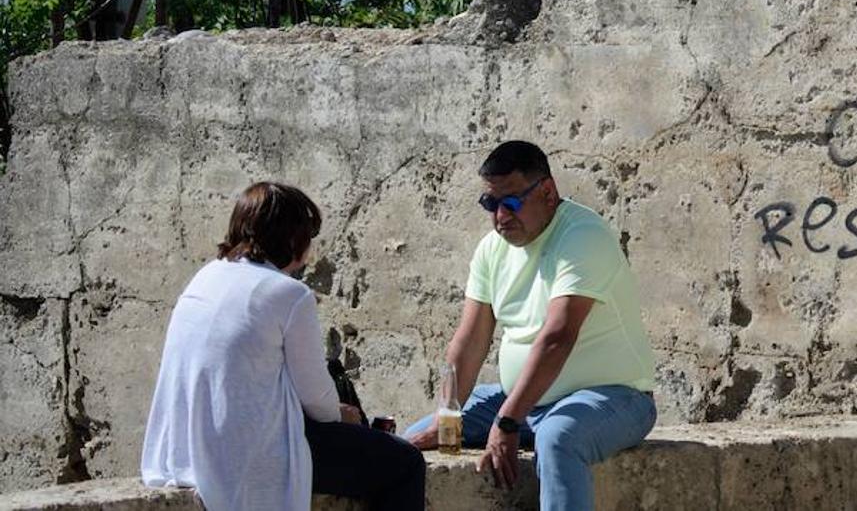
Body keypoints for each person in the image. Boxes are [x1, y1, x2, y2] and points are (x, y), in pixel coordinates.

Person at [140, 182, 425, 511]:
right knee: (404, 463)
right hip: (249, 451)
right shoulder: (289, 294)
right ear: (294, 239)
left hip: (185, 450)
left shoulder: (206, 276)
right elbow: (317, 399)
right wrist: (342, 415)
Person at [405, 140, 656, 511]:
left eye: (512, 203)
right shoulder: (492, 249)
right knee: (414, 441)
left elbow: (557, 337)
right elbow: (469, 341)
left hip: (614, 398)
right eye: (490, 204)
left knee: (557, 439)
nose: (500, 216)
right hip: (523, 401)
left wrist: (507, 422)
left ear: (548, 192)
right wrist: (448, 416)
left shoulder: (582, 237)